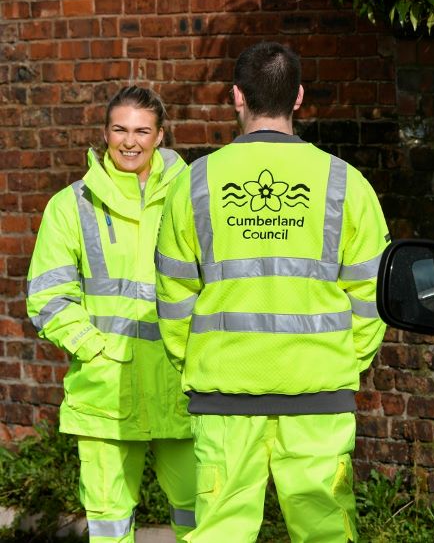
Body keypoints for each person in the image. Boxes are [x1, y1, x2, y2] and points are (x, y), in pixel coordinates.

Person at [155, 41, 389, 542]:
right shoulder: (346, 184)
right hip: (319, 388)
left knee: (218, 532)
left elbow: (173, 293)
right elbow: (373, 293)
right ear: (299, 97)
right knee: (326, 529)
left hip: (223, 391)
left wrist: (193, 361)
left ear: (236, 96)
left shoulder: (195, 184)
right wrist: (345, 359)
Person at [25, 86, 196, 542]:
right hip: (107, 391)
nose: (130, 141)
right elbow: (48, 295)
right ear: (104, 133)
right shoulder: (71, 205)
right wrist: (92, 349)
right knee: (108, 518)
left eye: (143, 130)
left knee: (201, 512)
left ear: (161, 136)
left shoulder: (192, 198)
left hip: (181, 384)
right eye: (120, 128)